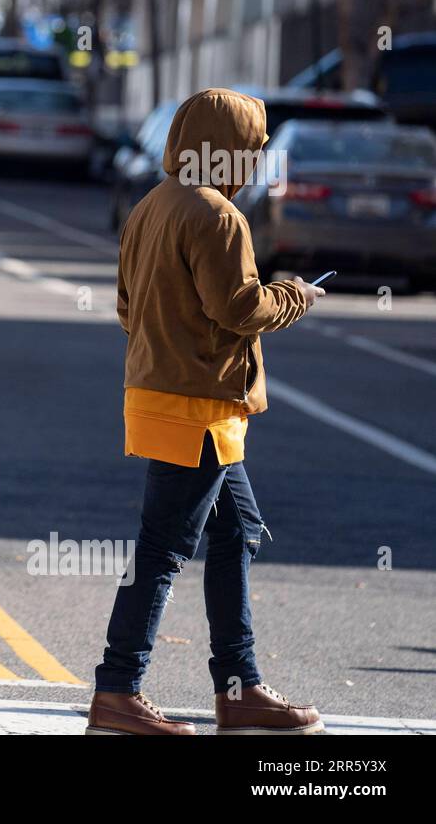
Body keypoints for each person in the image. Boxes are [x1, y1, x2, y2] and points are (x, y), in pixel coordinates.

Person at [87, 88, 326, 735]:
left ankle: (239, 687)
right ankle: (118, 692)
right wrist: (295, 295)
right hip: (198, 409)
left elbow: (126, 308)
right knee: (162, 552)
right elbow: (241, 309)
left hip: (165, 400)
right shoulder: (216, 215)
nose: (255, 160)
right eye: (251, 148)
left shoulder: (150, 207)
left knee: (236, 534)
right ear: (226, 151)